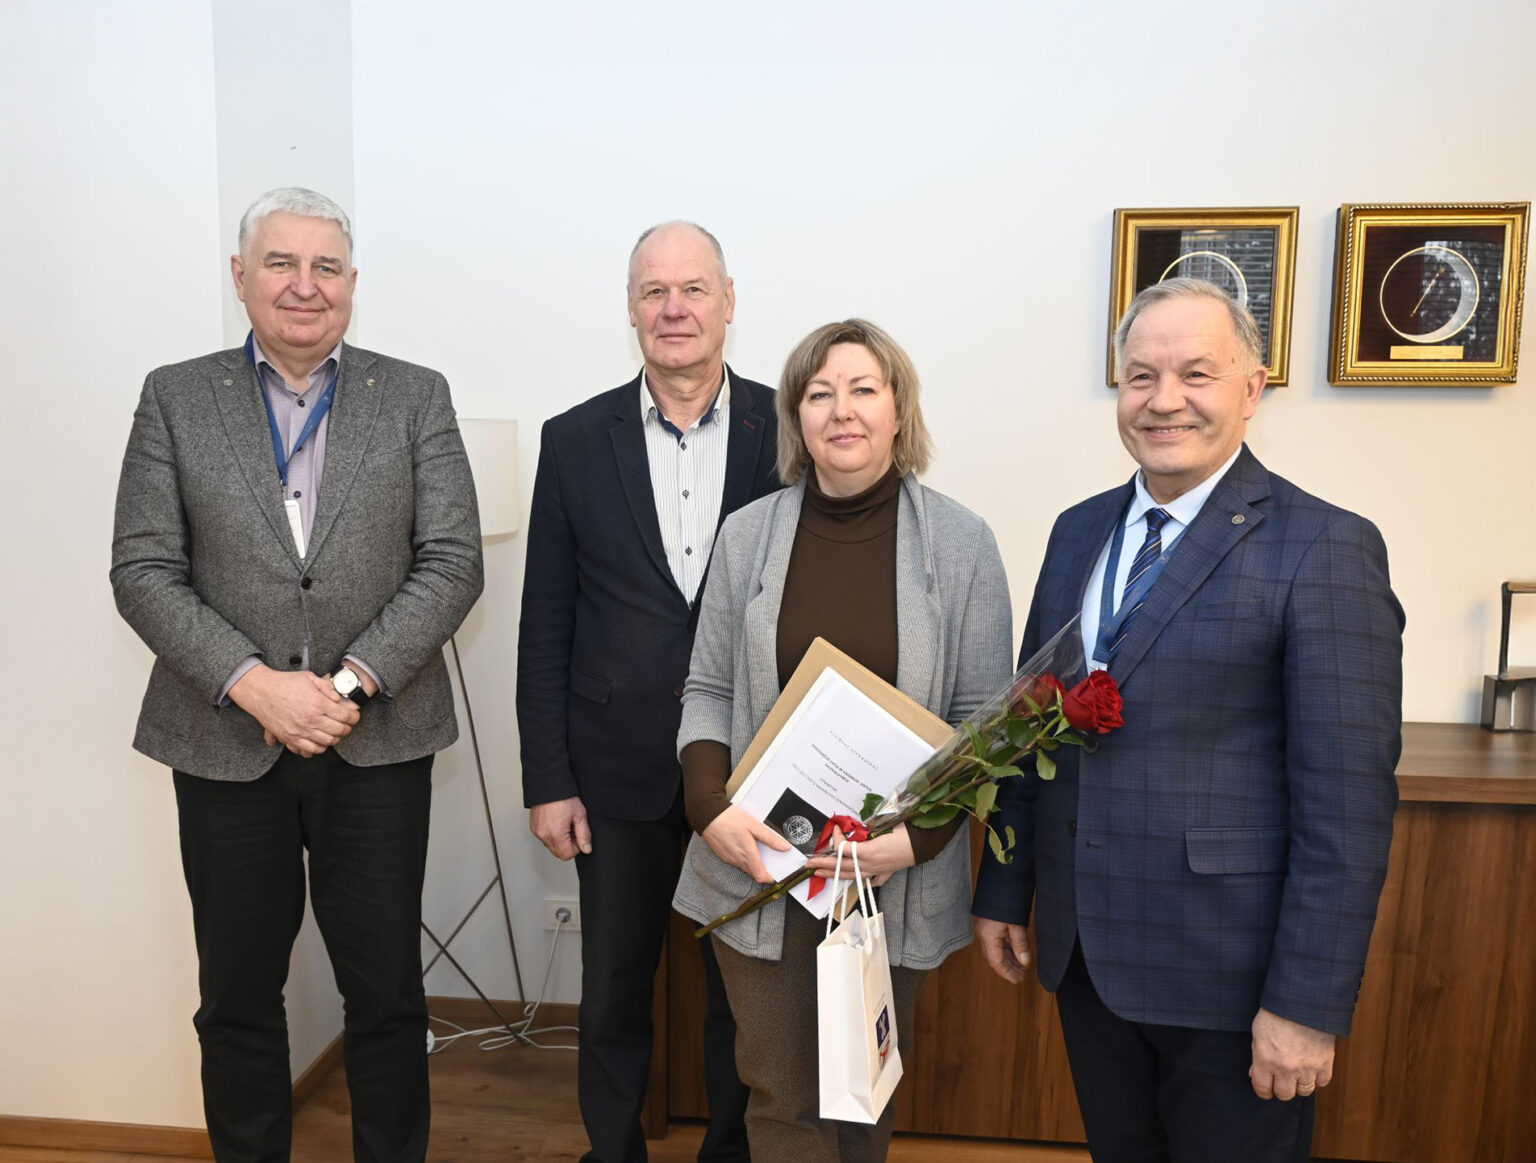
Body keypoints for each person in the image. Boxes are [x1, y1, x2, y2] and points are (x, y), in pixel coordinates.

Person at [972, 278, 1404, 1163]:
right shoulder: (1077, 531)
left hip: (1232, 980)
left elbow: (1347, 811)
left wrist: (1306, 1004)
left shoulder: (1324, 546)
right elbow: (1028, 722)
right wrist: (1006, 890)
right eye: (1141, 376)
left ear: (1252, 389)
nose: (1164, 399)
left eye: (1196, 373)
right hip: (1087, 955)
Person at [110, 187, 484, 1162]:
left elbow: (452, 561)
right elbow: (142, 568)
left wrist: (345, 685)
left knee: (387, 994)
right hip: (225, 742)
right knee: (237, 995)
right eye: (281, 263)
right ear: (242, 277)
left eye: (326, 267)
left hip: (379, 742)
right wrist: (255, 683)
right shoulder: (175, 397)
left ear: (353, 283)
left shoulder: (416, 395)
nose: (304, 286)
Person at [672, 318, 1013, 1161]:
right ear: (797, 416)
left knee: (863, 1093)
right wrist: (710, 808)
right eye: (820, 393)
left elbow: (984, 720)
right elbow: (708, 688)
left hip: (887, 876)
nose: (842, 409)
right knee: (781, 1096)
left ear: (899, 410)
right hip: (763, 864)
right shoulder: (748, 535)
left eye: (864, 389)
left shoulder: (963, 544)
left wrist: (918, 840)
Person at [516, 222, 778, 1163]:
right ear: (630, 307)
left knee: (743, 994)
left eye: (693, 288)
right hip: (613, 770)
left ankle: (731, 1153)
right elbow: (546, 620)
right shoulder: (574, 439)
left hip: (748, 770)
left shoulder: (789, 426)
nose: (674, 308)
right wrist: (548, 778)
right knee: (613, 990)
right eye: (654, 290)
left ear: (728, 300)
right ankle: (613, 1150)